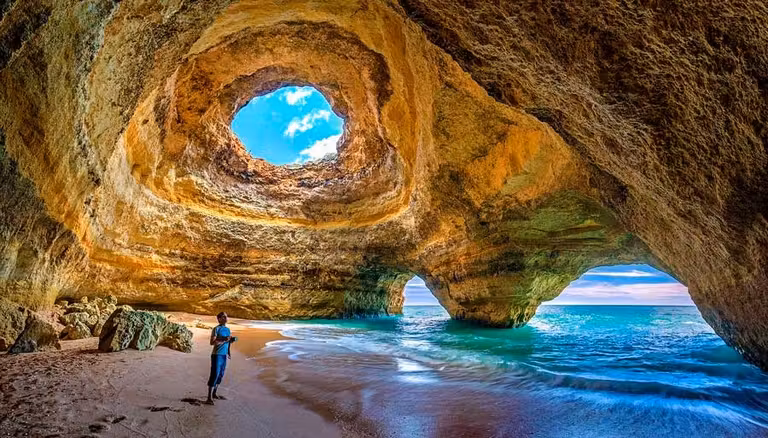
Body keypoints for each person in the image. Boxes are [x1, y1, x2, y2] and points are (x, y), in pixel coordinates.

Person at [206, 311, 237, 405]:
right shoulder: (216, 329)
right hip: (217, 354)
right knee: (215, 374)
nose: (226, 318)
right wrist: (224, 339)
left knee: (221, 374)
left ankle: (214, 393)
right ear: (219, 319)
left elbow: (228, 342)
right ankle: (209, 397)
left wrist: (229, 349)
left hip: (224, 355)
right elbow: (212, 342)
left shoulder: (228, 329)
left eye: (226, 317)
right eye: (223, 317)